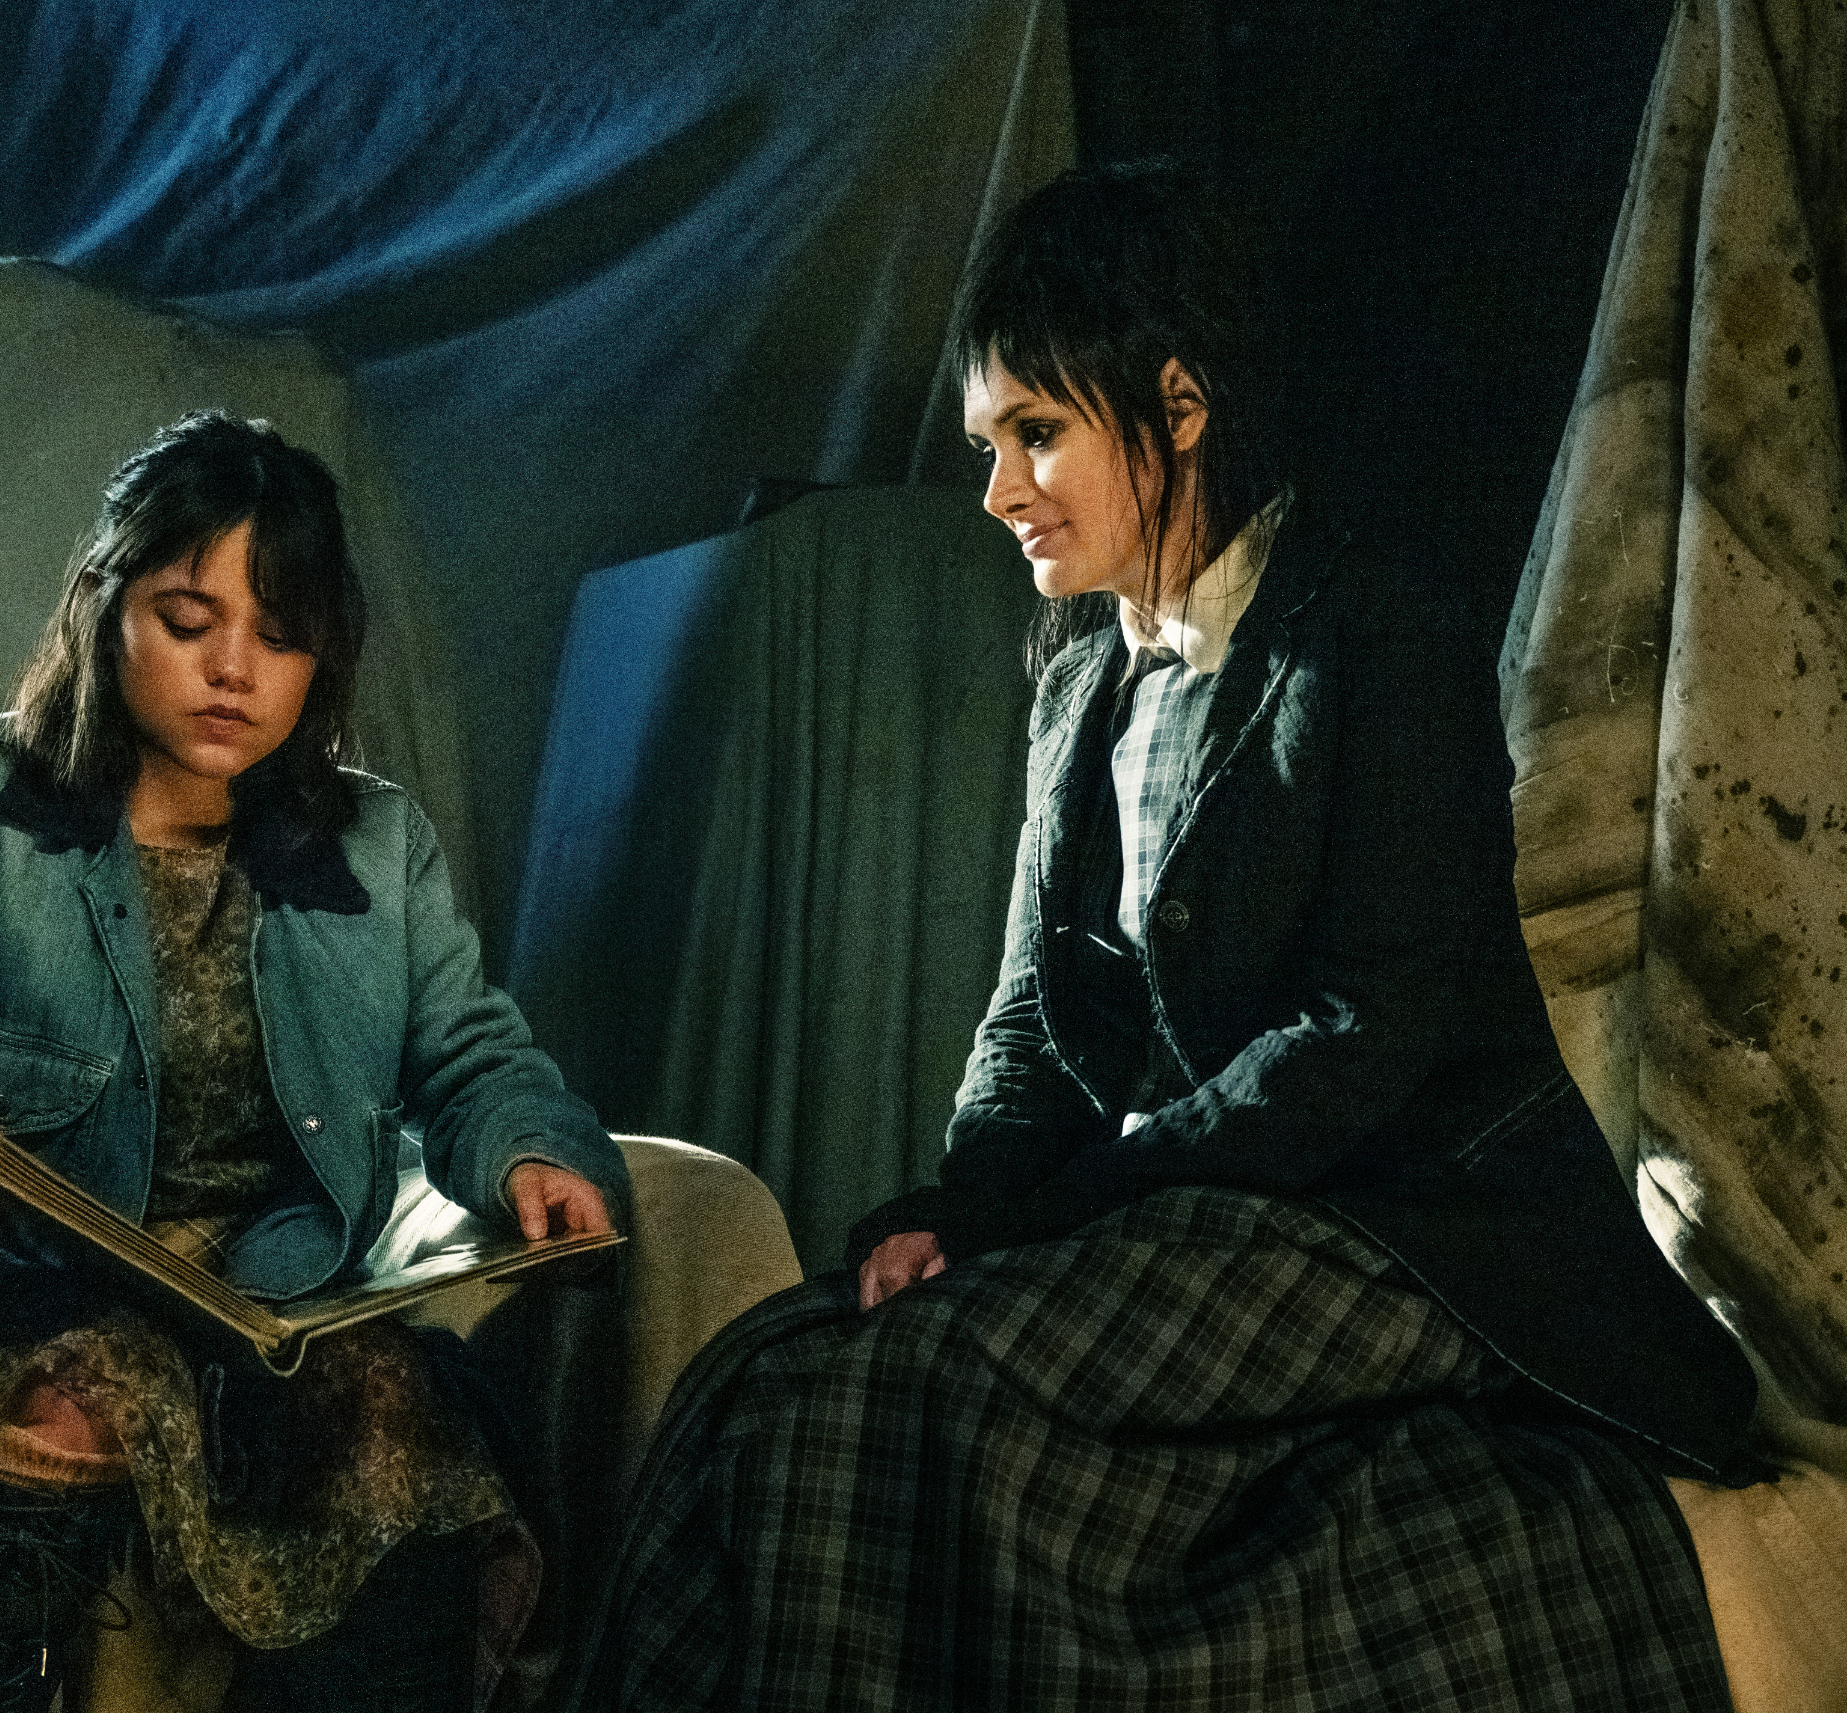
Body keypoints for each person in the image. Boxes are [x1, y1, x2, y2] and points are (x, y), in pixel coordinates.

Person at [565, 163, 1758, 1711]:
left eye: (1036, 433)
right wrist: (967, 1206)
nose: (996, 488)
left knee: (920, 1384)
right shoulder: (1081, 687)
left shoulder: (1369, 631)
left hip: (1397, 1225)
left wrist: (1074, 1207)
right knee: (766, 1373)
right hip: (1190, 1206)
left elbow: (1364, 1038)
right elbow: (1025, 1023)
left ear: (1176, 403)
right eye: (990, 442)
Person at [0, 409, 629, 1713]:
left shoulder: (375, 846)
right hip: (10, 1277)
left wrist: (533, 1150)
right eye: (190, 620)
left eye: (280, 635)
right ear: (102, 606)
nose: (233, 668)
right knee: (68, 1397)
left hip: (268, 1308)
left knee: (396, 1419)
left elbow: (471, 1055)